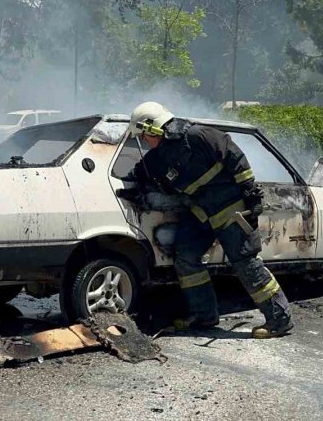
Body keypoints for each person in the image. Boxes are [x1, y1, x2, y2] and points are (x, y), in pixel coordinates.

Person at [117, 102, 293, 338]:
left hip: (231, 209)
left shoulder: (198, 135)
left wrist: (250, 193)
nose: (144, 141)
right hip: (200, 212)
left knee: (245, 262)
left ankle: (279, 319)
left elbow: (236, 158)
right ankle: (204, 316)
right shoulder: (155, 160)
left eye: (144, 136)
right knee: (186, 257)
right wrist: (132, 189)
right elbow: (138, 175)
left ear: (154, 129)